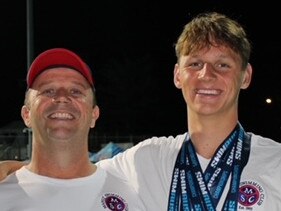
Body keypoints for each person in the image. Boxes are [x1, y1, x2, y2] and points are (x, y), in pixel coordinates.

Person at [1, 12, 281, 211]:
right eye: (195, 64)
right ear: (177, 75)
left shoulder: (275, 162)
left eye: (223, 65)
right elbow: (68, 170)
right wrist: (16, 169)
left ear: (246, 77)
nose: (206, 75)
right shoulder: (145, 160)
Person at [0, 48, 146, 211]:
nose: (62, 97)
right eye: (48, 90)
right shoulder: (3, 194)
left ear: (94, 115)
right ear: (27, 114)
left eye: (76, 91)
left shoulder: (131, 195)